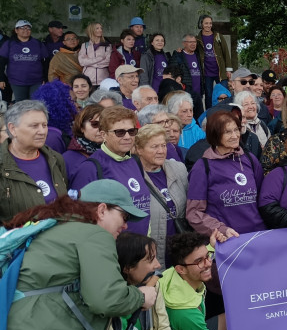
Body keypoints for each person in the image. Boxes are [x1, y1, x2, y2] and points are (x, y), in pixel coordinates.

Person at [0, 180, 152, 330]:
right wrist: (139, 296)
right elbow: (106, 299)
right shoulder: (93, 234)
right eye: (124, 216)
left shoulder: (51, 227)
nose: (125, 225)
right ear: (102, 210)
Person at [70, 106, 153, 236]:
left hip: (140, 247)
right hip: (112, 249)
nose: (127, 137)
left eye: (132, 131)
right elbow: (80, 217)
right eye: (120, 132)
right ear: (103, 134)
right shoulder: (90, 167)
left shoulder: (134, 161)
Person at [186, 110, 265, 237]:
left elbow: (264, 198)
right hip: (228, 240)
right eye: (227, 132)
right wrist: (221, 229)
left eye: (236, 130)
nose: (235, 136)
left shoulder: (249, 159)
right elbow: (194, 213)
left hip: (258, 236)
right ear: (215, 135)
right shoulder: (202, 167)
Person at [0, 100, 67, 222]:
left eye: (44, 125)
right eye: (34, 126)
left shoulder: (55, 159)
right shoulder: (2, 165)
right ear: (12, 129)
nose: (42, 131)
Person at [135, 125, 188, 264]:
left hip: (181, 250)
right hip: (152, 254)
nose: (161, 151)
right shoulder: (133, 176)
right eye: (154, 147)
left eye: (163, 146)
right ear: (139, 149)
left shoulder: (178, 169)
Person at [0, 20, 50, 101]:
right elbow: (1, 63)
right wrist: (1, 79)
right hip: (17, 81)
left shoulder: (38, 43)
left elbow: (45, 62)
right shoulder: (9, 44)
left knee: (35, 103)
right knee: (21, 104)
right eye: (22, 28)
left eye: (28, 28)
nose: (26, 30)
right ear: (16, 30)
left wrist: (45, 78)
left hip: (36, 81)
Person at [198, 15, 234, 109]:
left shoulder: (218, 36)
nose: (208, 25)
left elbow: (226, 52)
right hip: (206, 72)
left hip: (220, 71)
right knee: (209, 95)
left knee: (224, 93)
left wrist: (228, 70)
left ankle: (227, 110)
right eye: (206, 23)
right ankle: (209, 114)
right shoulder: (197, 39)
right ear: (201, 24)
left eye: (210, 23)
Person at [62, 104, 104, 183]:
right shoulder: (67, 159)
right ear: (82, 127)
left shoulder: (115, 153)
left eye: (104, 124)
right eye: (95, 124)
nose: (100, 129)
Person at [170, 34, 205, 117]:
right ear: (184, 43)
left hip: (199, 95)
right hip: (185, 94)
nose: (193, 44)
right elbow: (173, 75)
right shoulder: (177, 56)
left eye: (194, 42)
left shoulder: (198, 55)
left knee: (199, 118)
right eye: (190, 42)